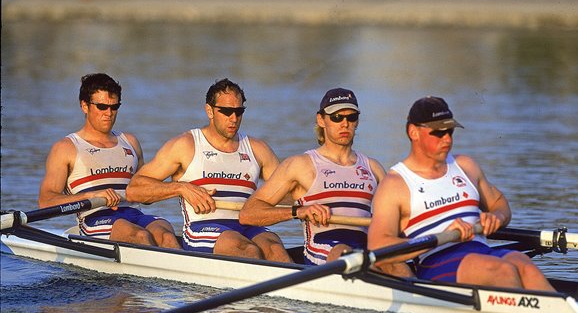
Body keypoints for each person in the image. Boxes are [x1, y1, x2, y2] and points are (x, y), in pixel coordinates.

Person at [367, 96, 555, 291]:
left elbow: (500, 203)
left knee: (523, 263)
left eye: (449, 131)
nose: (447, 139)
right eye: (438, 133)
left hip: (480, 251)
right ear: (413, 132)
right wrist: (444, 235)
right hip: (436, 261)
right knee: (502, 271)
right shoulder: (395, 184)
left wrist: (496, 217)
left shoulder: (465, 166)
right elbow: (378, 245)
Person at [126, 78, 292, 262]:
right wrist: (181, 188)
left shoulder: (258, 149)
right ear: (209, 111)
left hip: (248, 224)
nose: (233, 119)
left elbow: (286, 194)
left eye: (239, 112)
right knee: (248, 249)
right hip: (203, 227)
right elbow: (134, 190)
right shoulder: (186, 145)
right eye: (226, 112)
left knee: (275, 248)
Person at [240, 88, 386, 265]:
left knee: (397, 258)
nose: (345, 123)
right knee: (345, 252)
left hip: (364, 246)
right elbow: (248, 214)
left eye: (351, 117)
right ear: (321, 120)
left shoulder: (374, 168)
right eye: (337, 117)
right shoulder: (300, 165)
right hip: (325, 246)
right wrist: (298, 212)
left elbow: (393, 220)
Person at [39, 73, 180, 249]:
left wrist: (178, 184)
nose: (109, 113)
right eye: (102, 107)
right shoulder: (65, 147)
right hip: (95, 218)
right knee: (140, 235)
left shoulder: (130, 142)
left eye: (114, 107)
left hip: (133, 213)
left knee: (166, 235)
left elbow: (145, 196)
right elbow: (45, 201)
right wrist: (90, 196)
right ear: (84, 106)